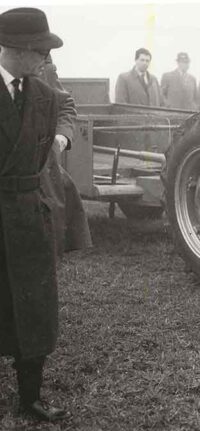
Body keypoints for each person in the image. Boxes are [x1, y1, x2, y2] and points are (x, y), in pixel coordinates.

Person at [0, 7, 70, 421]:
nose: (46, 58)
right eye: (40, 49)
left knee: (34, 310)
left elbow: (62, 121)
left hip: (28, 215)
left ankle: (30, 398)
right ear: (17, 48)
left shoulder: (44, 95)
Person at [39, 55, 92, 256]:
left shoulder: (43, 66)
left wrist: (61, 136)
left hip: (40, 161)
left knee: (63, 190)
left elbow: (65, 104)